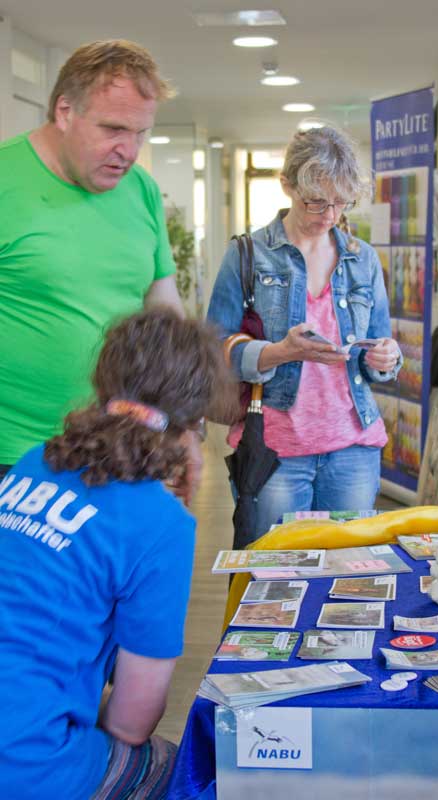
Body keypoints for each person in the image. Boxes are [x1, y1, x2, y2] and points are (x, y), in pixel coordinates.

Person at [0, 308, 237, 800]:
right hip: (27, 763)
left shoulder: (31, 463)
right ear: (195, 420)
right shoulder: (161, 524)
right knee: (188, 772)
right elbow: (133, 722)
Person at [0, 39, 192, 484]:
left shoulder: (141, 189)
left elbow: (163, 308)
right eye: (113, 129)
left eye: (140, 133)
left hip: (116, 447)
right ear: (65, 112)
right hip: (12, 452)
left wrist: (179, 423)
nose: (129, 150)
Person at [207, 125, 402, 541]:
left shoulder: (361, 258)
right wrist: (279, 352)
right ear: (287, 186)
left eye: (340, 203)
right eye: (315, 202)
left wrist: (385, 358)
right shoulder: (247, 255)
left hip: (353, 446)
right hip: (275, 451)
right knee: (272, 579)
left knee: (345, 577)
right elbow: (212, 349)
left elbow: (380, 346)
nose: (329, 216)